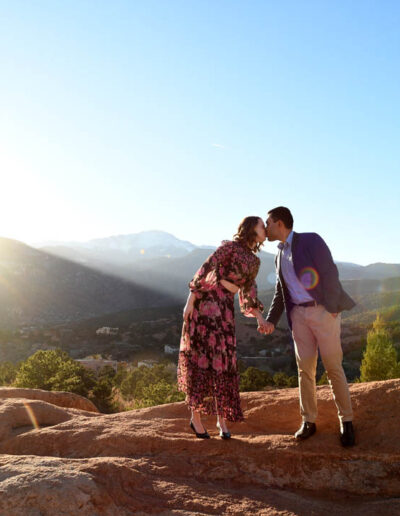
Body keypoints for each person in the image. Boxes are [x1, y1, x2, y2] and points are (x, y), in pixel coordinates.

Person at [259, 206, 356, 447]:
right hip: (298, 317)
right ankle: (308, 421)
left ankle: (347, 421)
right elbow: (281, 292)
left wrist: (332, 308)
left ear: (280, 223)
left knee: (333, 367)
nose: (266, 227)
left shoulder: (311, 240)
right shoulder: (278, 255)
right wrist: (271, 320)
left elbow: (329, 273)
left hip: (322, 311)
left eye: (268, 223)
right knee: (305, 370)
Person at [177, 216, 268, 439]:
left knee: (224, 361)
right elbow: (206, 267)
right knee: (202, 358)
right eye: (261, 226)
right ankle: (195, 419)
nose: (265, 229)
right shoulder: (229, 247)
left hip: (226, 311)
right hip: (207, 305)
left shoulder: (255, 262)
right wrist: (190, 300)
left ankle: (221, 421)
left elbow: (248, 292)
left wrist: (259, 317)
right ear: (251, 229)